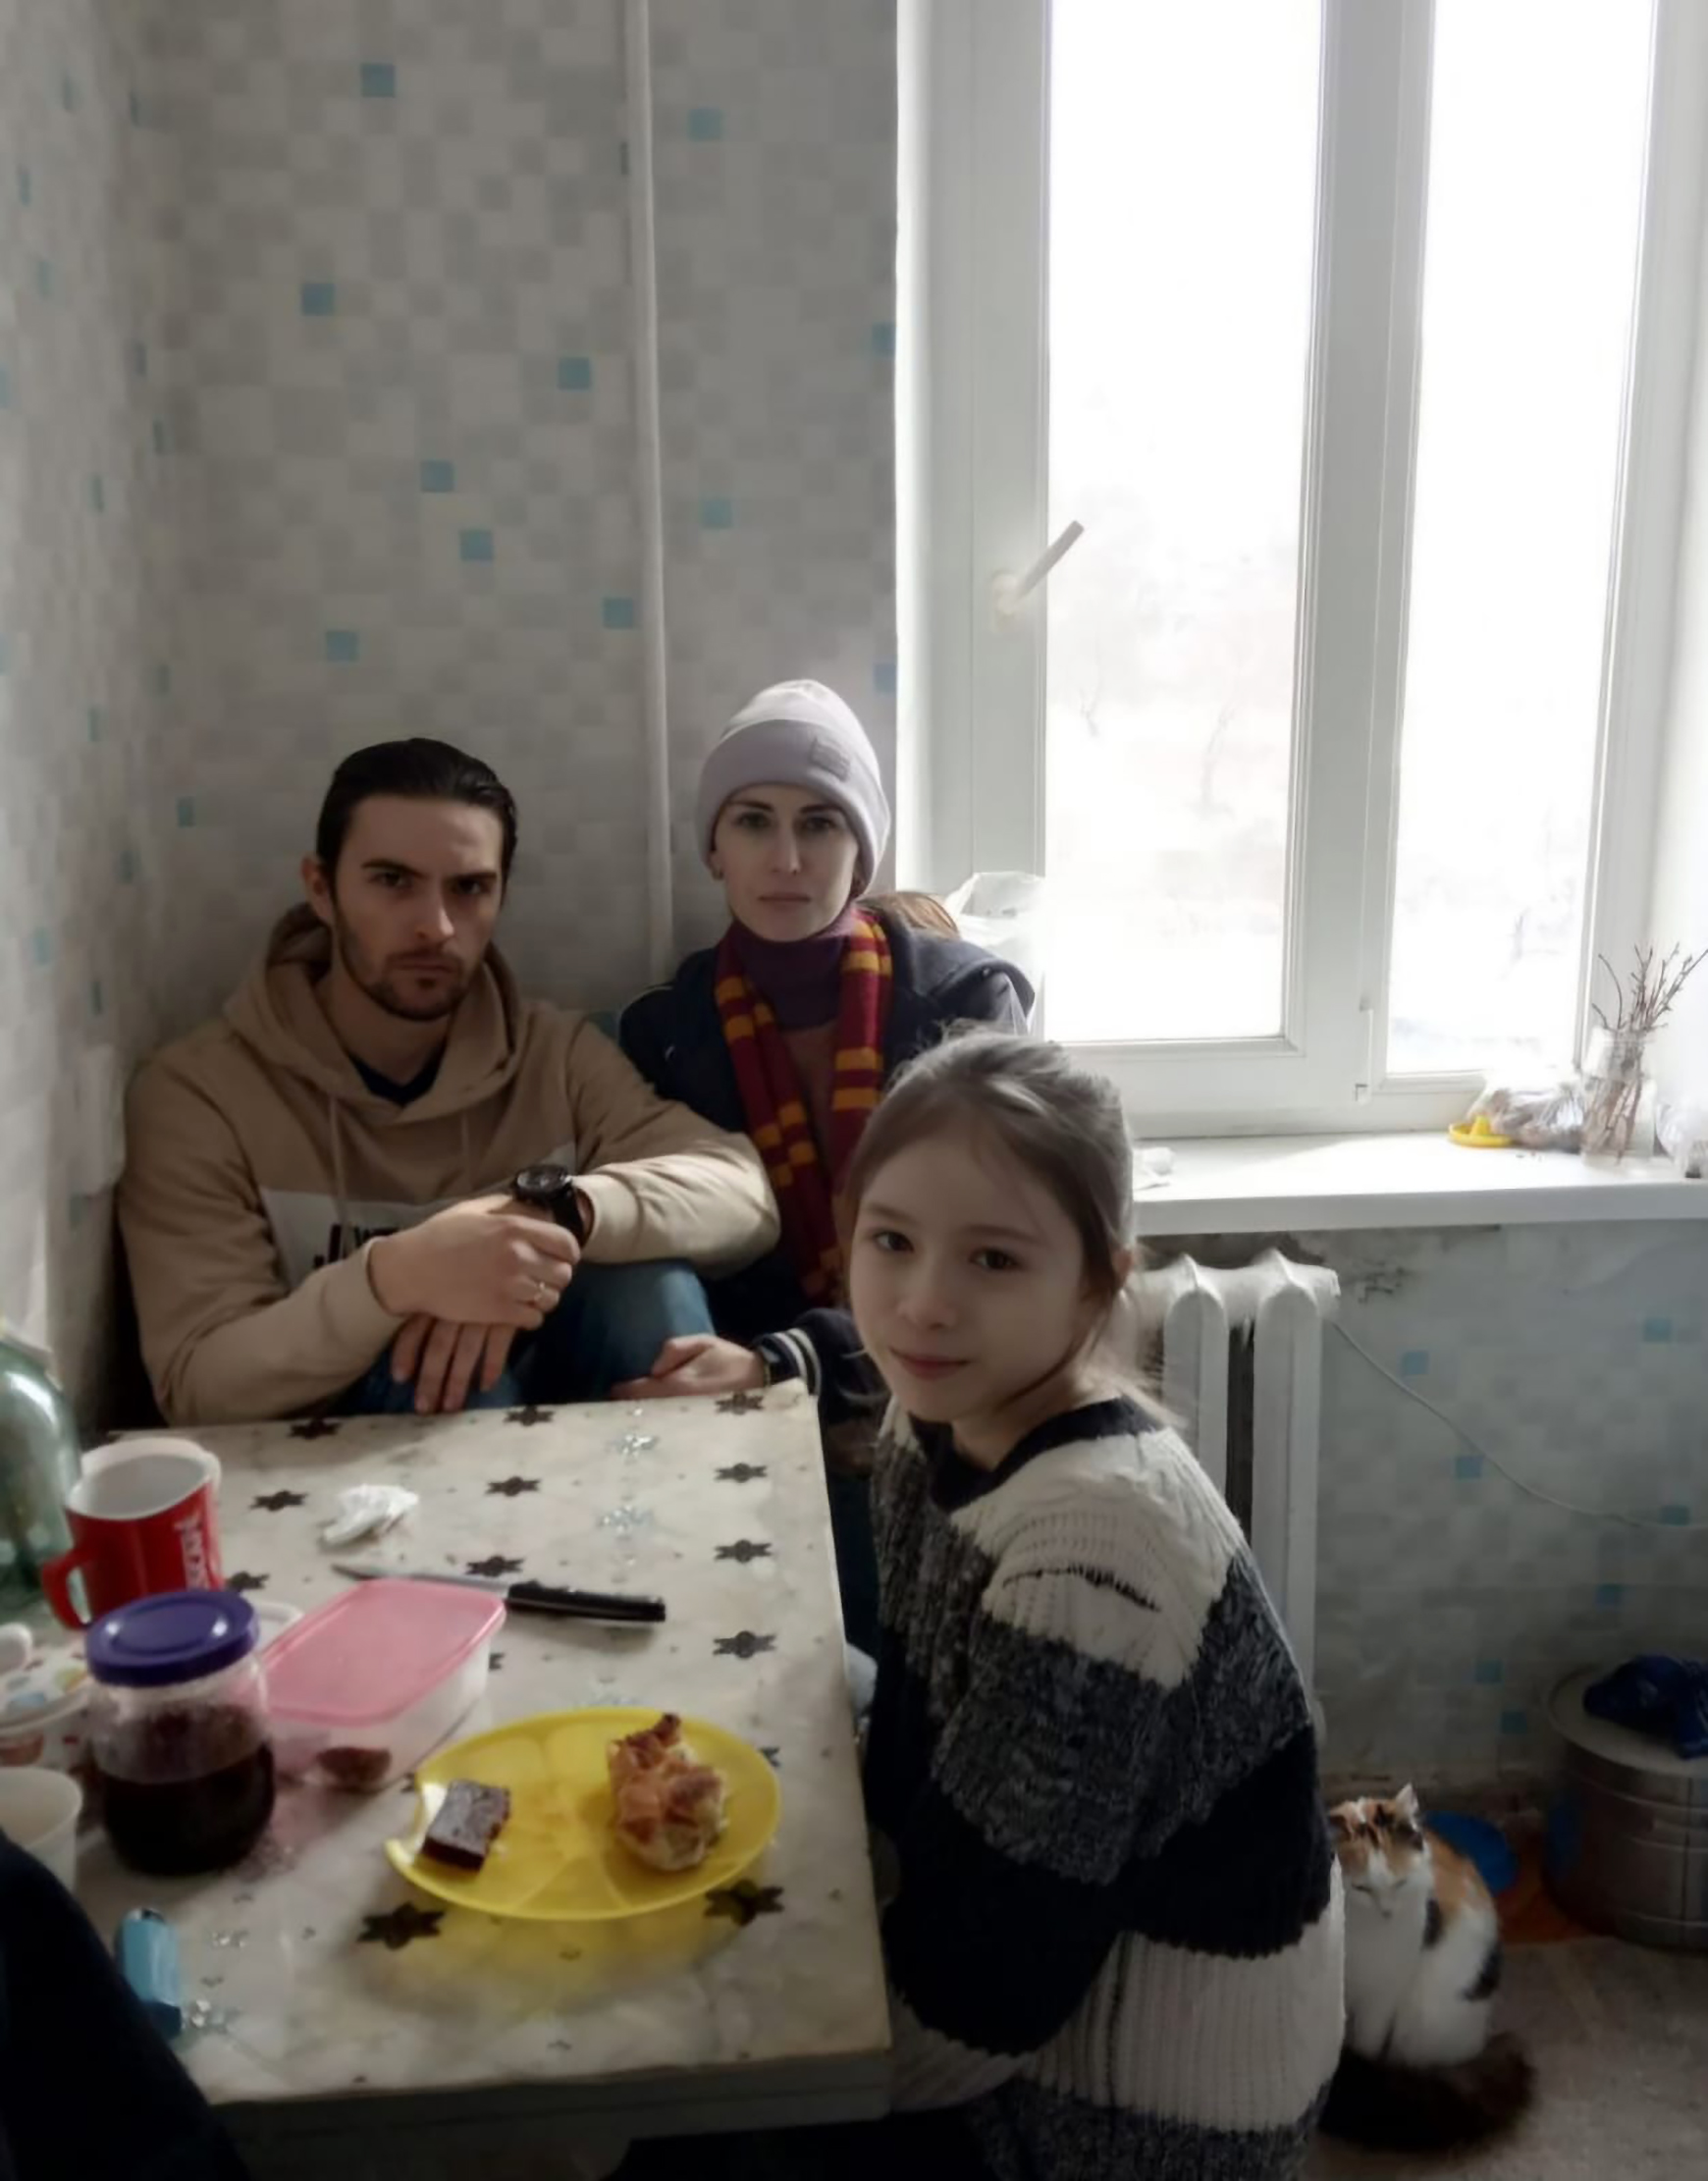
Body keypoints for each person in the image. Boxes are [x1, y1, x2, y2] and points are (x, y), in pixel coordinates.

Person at [713, 1032, 1345, 2179]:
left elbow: (975, 2006)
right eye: (890, 1241)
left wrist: (731, 2068)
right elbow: (918, 1745)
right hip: (1032, 1982)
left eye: (994, 1260)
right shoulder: (937, 1416)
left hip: (1123, 2120)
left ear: (1100, 1280)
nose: (921, 1304)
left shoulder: (1095, 1548)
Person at [118, 739, 778, 1426]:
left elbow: (745, 1196)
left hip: (572, 1412)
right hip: (351, 1460)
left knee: (649, 1285)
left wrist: (543, 1216)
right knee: (455, 1382)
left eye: (469, 889)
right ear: (321, 888)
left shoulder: (551, 1054)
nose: (435, 927)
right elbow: (201, 1386)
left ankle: (684, 1525)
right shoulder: (199, 1093)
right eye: (393, 882)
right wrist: (398, 1280)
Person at [615, 680, 1031, 1637]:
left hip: (931, 1368)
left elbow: (995, 1261)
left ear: (862, 847)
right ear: (713, 846)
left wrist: (788, 1363)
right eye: (753, 821)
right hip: (743, 1396)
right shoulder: (665, 1032)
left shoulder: (962, 1005)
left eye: (821, 822)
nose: (788, 858)